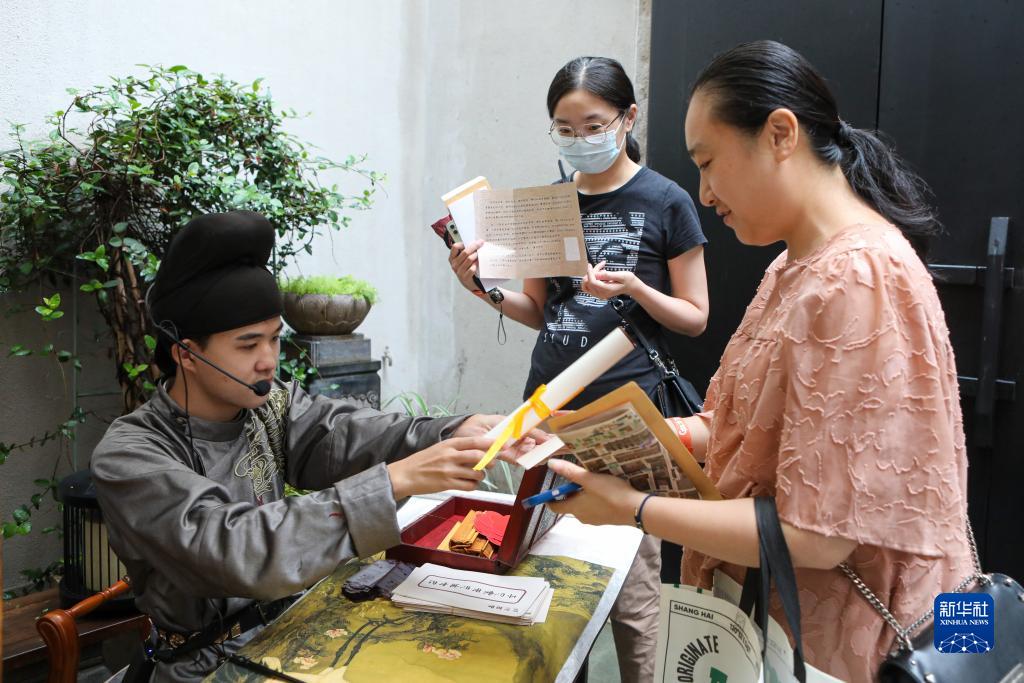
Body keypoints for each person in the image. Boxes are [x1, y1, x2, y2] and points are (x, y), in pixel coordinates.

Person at [545, 40, 974, 681]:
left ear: (779, 134)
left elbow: (817, 538)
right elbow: (741, 426)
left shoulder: (858, 275)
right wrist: (600, 438)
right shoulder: (794, 265)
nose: (704, 193)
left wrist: (629, 507)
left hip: (870, 640)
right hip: (799, 624)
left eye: (708, 162)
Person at [91, 211, 536, 682]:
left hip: (290, 629)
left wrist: (454, 430)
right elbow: (231, 548)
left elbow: (348, 433)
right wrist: (393, 482)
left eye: (273, 340)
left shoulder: (270, 406)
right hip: (203, 668)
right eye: (247, 346)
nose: (268, 361)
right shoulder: (130, 455)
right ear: (186, 354)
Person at [448, 57, 709, 683]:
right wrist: (482, 288)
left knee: (632, 590)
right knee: (552, 576)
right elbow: (540, 310)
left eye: (593, 125)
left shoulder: (667, 201)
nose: (579, 139)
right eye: (564, 129)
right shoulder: (549, 204)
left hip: (624, 417)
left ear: (627, 118)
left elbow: (696, 316)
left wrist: (634, 288)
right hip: (546, 409)